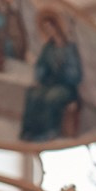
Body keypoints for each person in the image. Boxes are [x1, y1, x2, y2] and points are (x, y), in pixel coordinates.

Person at [19, 10, 82, 143]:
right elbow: (41, 66)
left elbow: (76, 74)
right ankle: (29, 131)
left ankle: (48, 131)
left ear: (56, 27)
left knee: (51, 97)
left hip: (66, 87)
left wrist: (62, 71)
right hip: (49, 83)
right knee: (33, 94)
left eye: (50, 28)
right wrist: (39, 76)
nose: (49, 32)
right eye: (46, 29)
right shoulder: (48, 48)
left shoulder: (69, 48)